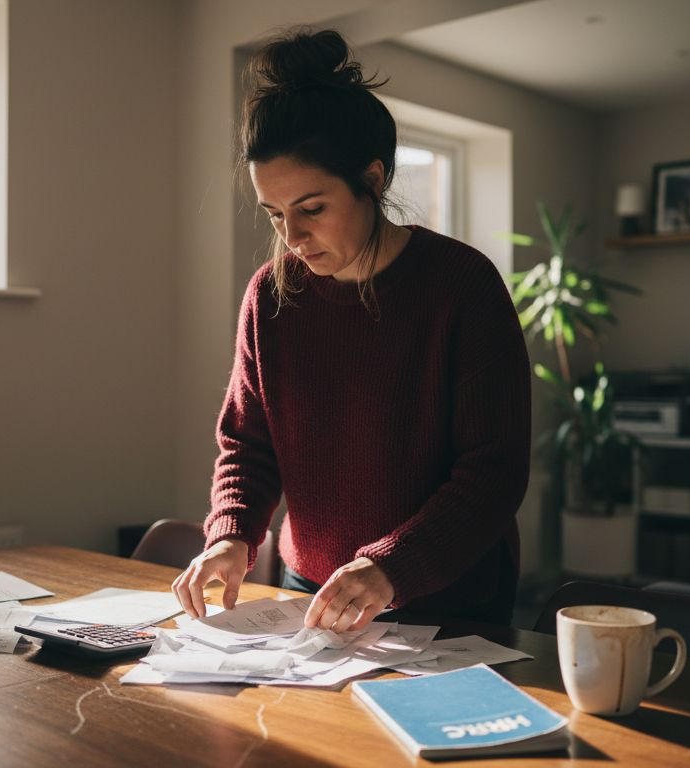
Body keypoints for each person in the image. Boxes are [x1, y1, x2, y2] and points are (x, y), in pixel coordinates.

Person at [171, 28, 530, 633]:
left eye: (312, 208)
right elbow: (247, 444)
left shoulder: (462, 287)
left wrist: (390, 567)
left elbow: (492, 473)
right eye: (275, 214)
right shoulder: (270, 295)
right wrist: (231, 534)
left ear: (373, 178)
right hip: (307, 590)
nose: (293, 236)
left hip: (442, 599)